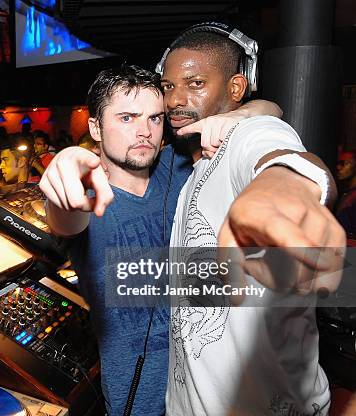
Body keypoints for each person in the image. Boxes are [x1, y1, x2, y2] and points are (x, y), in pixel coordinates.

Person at [38, 64, 282, 415]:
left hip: (213, 391)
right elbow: (65, 217)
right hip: (140, 402)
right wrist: (65, 167)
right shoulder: (89, 195)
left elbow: (271, 110)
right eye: (127, 118)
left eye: (154, 118)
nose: (145, 132)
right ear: (95, 127)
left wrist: (235, 117)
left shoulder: (177, 166)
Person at [155, 26, 344, 415]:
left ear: (237, 88)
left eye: (195, 83)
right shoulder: (190, 170)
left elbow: (279, 153)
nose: (175, 99)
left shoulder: (247, 136)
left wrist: (284, 188)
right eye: (168, 85)